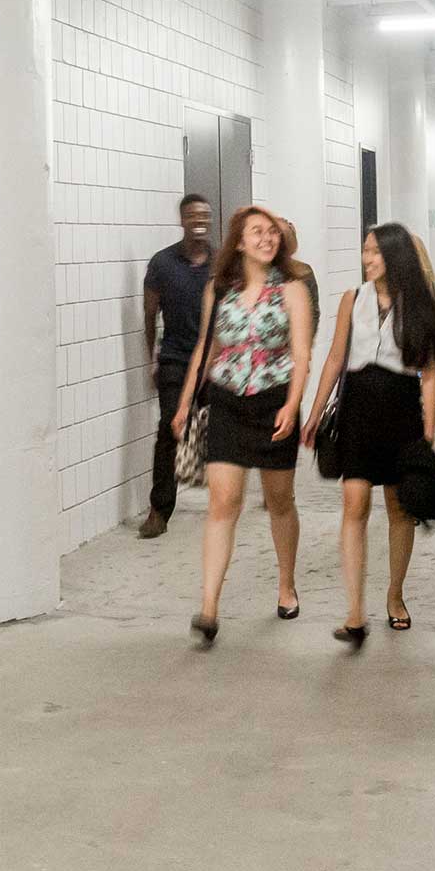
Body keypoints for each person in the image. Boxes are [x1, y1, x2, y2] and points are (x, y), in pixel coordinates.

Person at [171, 205, 315, 645]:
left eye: (272, 232)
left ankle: (286, 582)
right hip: (227, 402)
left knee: (279, 501)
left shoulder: (293, 290)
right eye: (257, 232)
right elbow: (206, 347)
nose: (266, 238)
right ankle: (210, 606)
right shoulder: (219, 288)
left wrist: (293, 405)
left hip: (272, 403)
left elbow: (302, 353)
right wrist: (183, 404)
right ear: (239, 241)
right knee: (223, 502)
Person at [303, 224, 435, 646]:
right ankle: (353, 612)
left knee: (399, 509)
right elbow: (334, 358)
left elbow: (430, 372)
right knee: (355, 503)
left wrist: (428, 434)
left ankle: (395, 596)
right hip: (358, 409)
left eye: (375, 252)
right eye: (365, 251)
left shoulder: (421, 303)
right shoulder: (353, 298)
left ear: (395, 255)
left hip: (402, 408)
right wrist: (313, 414)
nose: (367, 259)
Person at [139, 194, 215, 538]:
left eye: (204, 215)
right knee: (169, 430)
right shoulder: (162, 263)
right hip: (175, 359)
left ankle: (223, 502)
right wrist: (152, 357)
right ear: (182, 220)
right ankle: (159, 510)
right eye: (192, 215)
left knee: (220, 432)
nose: (199, 220)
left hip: (217, 362)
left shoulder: (223, 263)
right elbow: (149, 314)